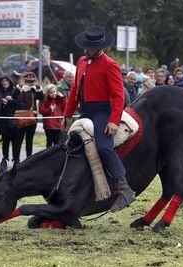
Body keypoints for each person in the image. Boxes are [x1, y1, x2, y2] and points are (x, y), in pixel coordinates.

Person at [62, 26, 135, 212]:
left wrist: (113, 121)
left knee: (103, 146)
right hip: (84, 111)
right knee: (71, 146)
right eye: (85, 47)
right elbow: (74, 91)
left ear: (99, 47)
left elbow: (118, 95)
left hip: (102, 111)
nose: (86, 50)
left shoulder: (110, 65)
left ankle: (124, 189)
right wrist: (67, 115)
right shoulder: (80, 62)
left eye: (89, 47)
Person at [13, 72, 44, 161]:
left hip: (32, 116)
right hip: (21, 116)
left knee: (29, 139)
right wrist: (20, 86)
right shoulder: (20, 89)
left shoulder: (35, 90)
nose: (29, 80)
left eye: (32, 78)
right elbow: (13, 96)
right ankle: (16, 160)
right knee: (18, 139)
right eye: (27, 78)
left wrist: (37, 86)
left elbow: (41, 97)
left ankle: (29, 159)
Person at [0, 76, 17, 165]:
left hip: (13, 119)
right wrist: (1, 101)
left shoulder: (14, 91)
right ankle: (5, 158)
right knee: (5, 141)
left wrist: (11, 100)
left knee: (15, 141)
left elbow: (18, 103)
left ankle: (15, 158)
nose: (4, 82)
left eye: (6, 81)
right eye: (3, 81)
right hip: (3, 120)